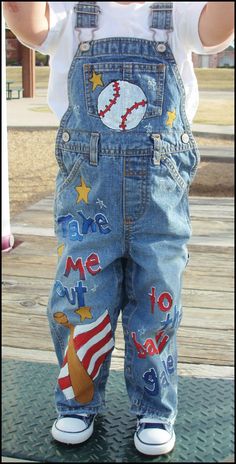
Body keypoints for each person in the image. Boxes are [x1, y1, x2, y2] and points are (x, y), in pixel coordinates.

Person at [3, 1, 234, 456]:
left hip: (159, 200)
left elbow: (213, 29)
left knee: (157, 301)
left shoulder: (177, 11)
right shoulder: (71, 11)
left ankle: (153, 407)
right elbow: (30, 26)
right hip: (89, 199)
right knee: (82, 299)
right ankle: (77, 401)